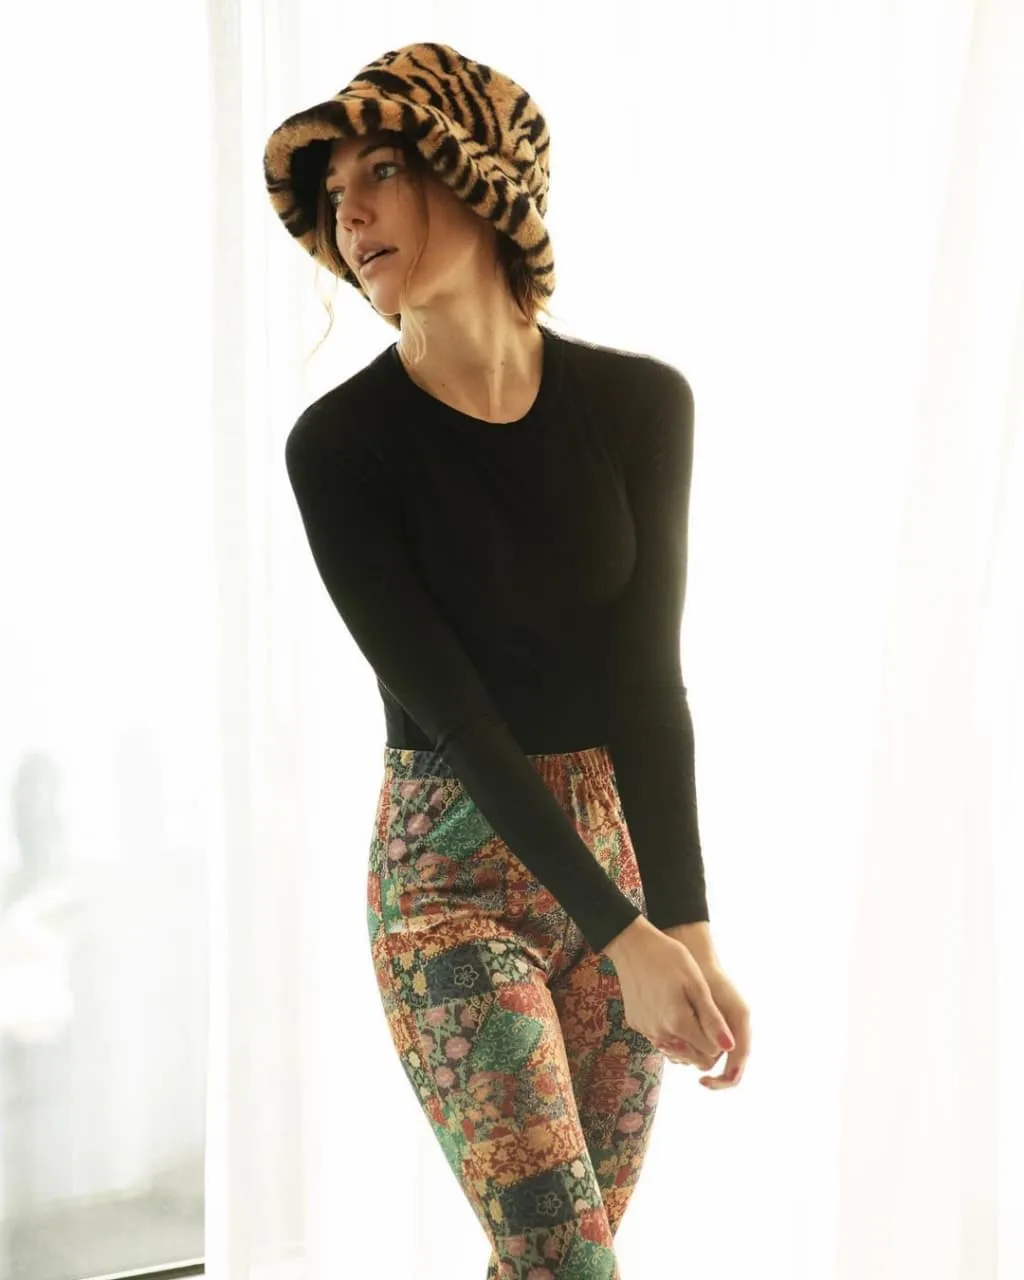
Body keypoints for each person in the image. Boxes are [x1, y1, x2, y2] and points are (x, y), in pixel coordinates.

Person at [264, 40, 751, 1277]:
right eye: (333, 196)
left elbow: (648, 687)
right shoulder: (339, 448)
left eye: (381, 169)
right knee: (564, 1262)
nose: (351, 213)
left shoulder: (642, 406)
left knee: (545, 1263)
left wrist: (683, 924)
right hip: (448, 879)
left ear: (478, 179)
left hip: (613, 865)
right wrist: (625, 931)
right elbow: (456, 717)